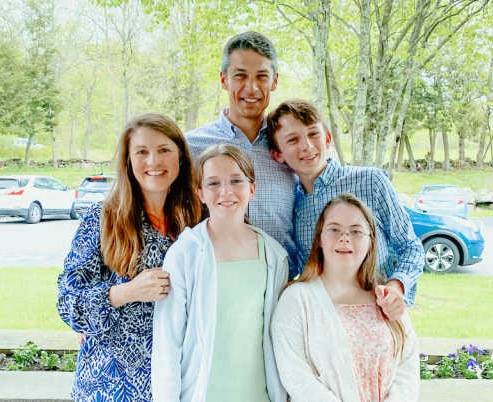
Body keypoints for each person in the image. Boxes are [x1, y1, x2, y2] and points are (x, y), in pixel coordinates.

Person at [57, 113, 201, 402]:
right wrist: (125, 292)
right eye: (142, 152)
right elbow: (67, 303)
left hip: (184, 381)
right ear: (128, 161)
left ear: (181, 157)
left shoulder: (201, 218)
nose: (153, 162)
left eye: (164, 150)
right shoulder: (102, 217)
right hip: (112, 384)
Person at [265, 98, 425, 319]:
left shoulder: (371, 181)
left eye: (313, 134)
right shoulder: (292, 206)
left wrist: (397, 287)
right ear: (278, 154)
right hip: (323, 323)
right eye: (293, 139)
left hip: (380, 316)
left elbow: (411, 246)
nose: (307, 146)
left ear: (328, 138)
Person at [152, 144, 288, 402]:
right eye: (213, 183)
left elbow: (276, 335)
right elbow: (167, 345)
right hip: (203, 393)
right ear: (200, 193)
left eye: (236, 180)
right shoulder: (184, 255)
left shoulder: (274, 255)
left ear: (252, 189)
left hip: (259, 394)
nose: (226, 191)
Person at [271, 193, 420, 402]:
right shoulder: (297, 299)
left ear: (371, 242)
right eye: (334, 229)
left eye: (356, 231)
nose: (345, 237)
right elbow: (295, 375)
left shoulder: (386, 299)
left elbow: (407, 367)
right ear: (319, 239)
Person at [183, 31, 299, 266]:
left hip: (282, 287)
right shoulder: (189, 148)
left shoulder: (291, 147)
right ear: (224, 79)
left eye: (262, 76)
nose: (252, 87)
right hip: (214, 285)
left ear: (274, 81)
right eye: (240, 75)